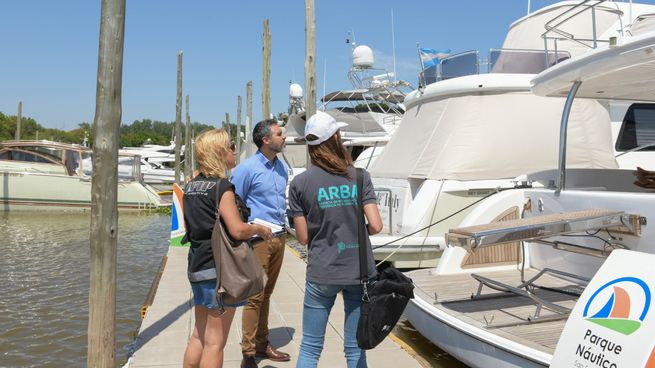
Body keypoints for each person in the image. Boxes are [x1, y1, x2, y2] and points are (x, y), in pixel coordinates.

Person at [288, 111, 383, 368]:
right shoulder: (360, 177)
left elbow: (304, 237)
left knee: (310, 347)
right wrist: (356, 230)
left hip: (322, 272)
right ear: (336, 138)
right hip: (358, 272)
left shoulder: (299, 183)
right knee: (355, 349)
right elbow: (375, 225)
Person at [182, 129, 273, 368]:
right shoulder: (222, 187)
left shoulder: (191, 186)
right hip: (219, 271)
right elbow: (237, 230)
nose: (234, 150)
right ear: (220, 152)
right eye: (231, 146)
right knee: (215, 341)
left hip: (197, 265)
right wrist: (258, 229)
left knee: (199, 335)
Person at [231, 119, 290, 368]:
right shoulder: (246, 169)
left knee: (267, 294)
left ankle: (263, 343)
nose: (284, 137)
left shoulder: (282, 167)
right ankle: (248, 354)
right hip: (258, 241)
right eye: (279, 134)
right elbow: (235, 203)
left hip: (279, 238)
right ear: (266, 140)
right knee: (255, 297)